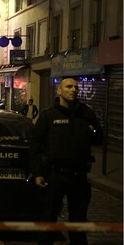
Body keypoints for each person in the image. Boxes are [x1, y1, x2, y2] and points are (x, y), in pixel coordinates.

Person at [30, 77, 103, 245]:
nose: (73, 90)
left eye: (76, 87)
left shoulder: (86, 113)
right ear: (59, 91)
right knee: (49, 216)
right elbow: (35, 146)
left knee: (78, 220)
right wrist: (38, 173)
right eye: (69, 86)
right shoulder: (48, 116)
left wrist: (91, 129)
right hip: (55, 175)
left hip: (79, 175)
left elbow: (99, 139)